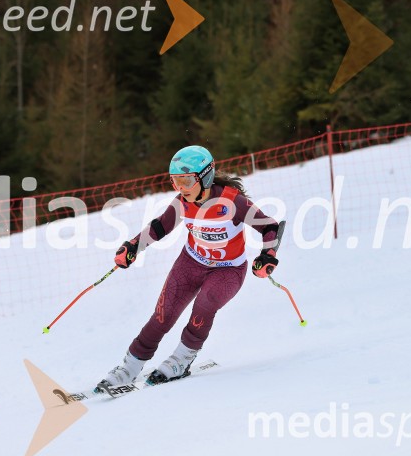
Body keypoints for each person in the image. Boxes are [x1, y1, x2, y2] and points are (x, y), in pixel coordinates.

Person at [97, 145, 281, 388]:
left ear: (205, 177)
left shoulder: (232, 201)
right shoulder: (182, 202)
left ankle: (181, 359)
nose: (181, 188)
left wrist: (268, 254)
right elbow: (160, 226)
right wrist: (133, 246)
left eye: (186, 181)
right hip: (191, 262)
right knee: (163, 315)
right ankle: (130, 365)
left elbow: (269, 226)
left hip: (228, 269)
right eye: (176, 181)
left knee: (205, 304)